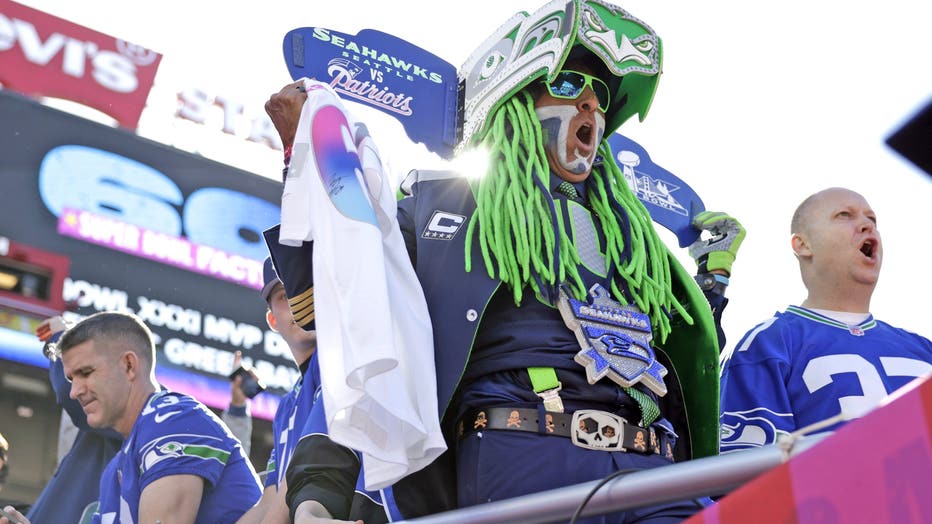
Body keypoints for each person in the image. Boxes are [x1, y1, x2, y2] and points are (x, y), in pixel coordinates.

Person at [265, 1, 745, 520]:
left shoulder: (640, 248)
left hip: (654, 468)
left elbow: (686, 361)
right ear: (514, 97)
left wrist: (712, 281)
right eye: (566, 84)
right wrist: (319, 488)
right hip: (524, 456)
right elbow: (361, 337)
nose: (589, 106)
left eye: (600, 95)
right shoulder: (439, 207)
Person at [719, 187, 932, 453]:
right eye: (845, 215)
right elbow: (748, 476)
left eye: (872, 220)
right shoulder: (768, 344)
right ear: (803, 245)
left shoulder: (923, 348)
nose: (867, 225)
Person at [39, 311, 260, 524]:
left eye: (85, 373)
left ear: (129, 365)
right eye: (71, 379)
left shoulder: (173, 420)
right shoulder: (115, 470)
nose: (74, 391)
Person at [236, 257, 320, 524]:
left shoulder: (340, 364)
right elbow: (270, 501)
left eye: (306, 288)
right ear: (272, 320)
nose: (298, 302)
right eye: (286, 295)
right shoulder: (287, 405)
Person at [24, 316, 123, 523]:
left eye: (86, 371)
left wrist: (62, 337)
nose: (76, 390)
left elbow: (67, 390)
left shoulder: (144, 410)